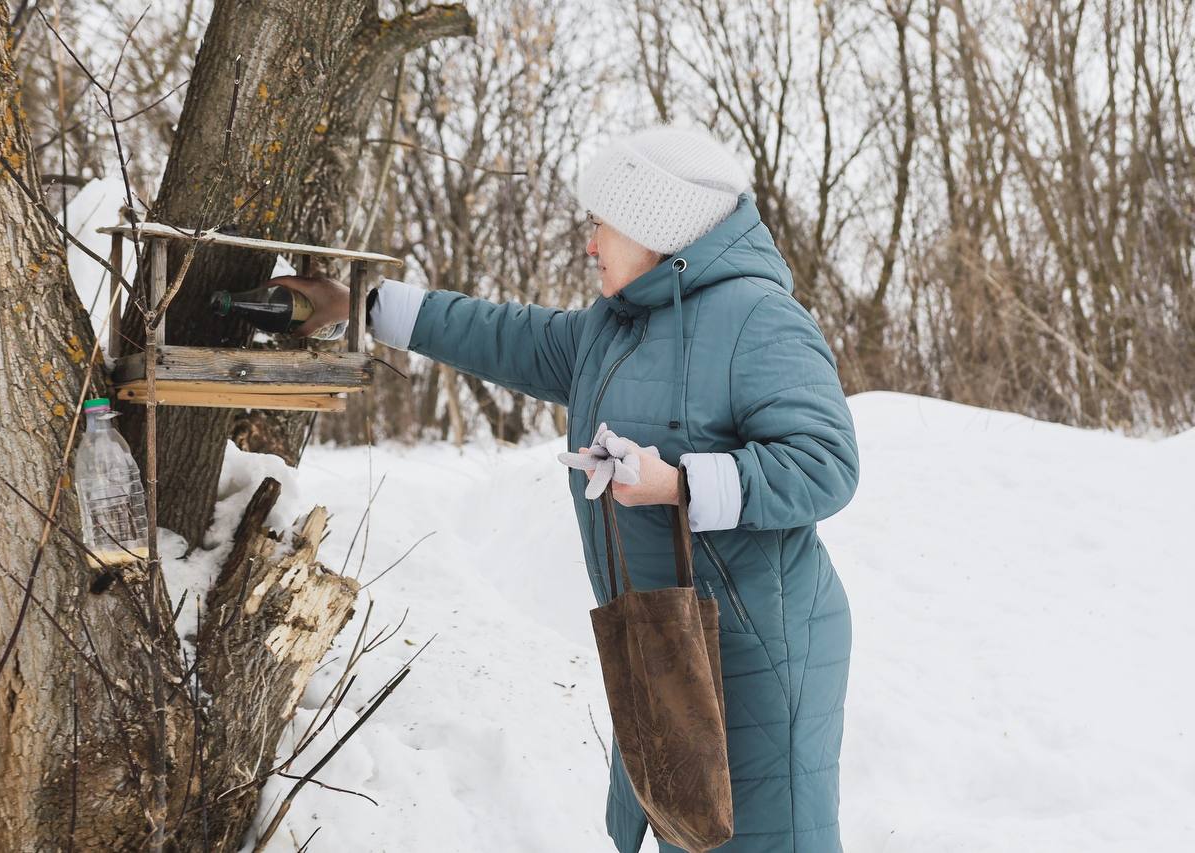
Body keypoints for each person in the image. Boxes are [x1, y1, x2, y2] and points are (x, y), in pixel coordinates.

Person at [271, 124, 859, 852]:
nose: (590, 244)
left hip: (757, 651)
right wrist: (356, 303)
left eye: (601, 225)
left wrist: (679, 483)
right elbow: (497, 333)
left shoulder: (760, 320)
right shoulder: (614, 329)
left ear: (655, 227)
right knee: (691, 829)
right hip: (667, 643)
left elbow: (826, 462)